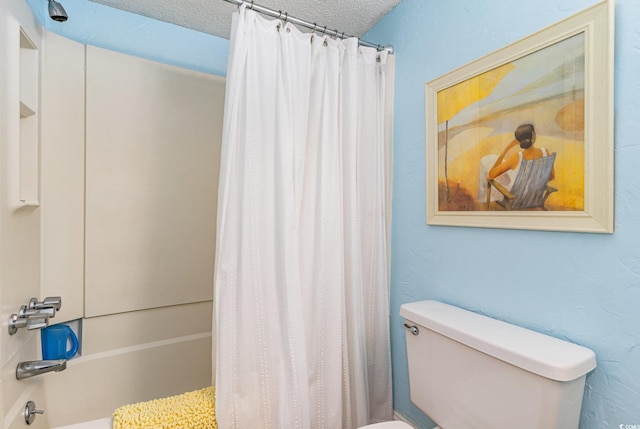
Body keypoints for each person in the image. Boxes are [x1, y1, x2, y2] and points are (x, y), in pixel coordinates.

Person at [477, 123, 554, 203]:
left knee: (488, 164)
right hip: (534, 196)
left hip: (516, 198)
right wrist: (533, 182)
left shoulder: (517, 157)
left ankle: (483, 198)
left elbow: (491, 175)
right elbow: (551, 176)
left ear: (519, 140)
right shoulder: (545, 152)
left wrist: (505, 150)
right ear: (533, 136)